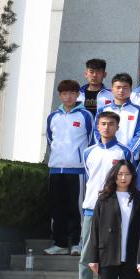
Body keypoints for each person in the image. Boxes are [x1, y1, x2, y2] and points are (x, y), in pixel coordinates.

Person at [78, 110, 133, 279]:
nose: (106, 127)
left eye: (111, 124)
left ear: (117, 127)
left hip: (116, 209)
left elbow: (129, 178)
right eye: (103, 123)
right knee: (86, 251)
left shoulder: (124, 152)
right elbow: (89, 178)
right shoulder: (88, 152)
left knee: (115, 249)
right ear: (97, 126)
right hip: (91, 207)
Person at [45, 78, 92, 256]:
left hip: (77, 170)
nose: (68, 97)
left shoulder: (85, 116)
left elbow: (91, 140)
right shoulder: (53, 117)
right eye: (65, 93)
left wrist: (79, 159)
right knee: (57, 207)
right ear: (60, 95)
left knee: (76, 208)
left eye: (72, 93)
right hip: (56, 169)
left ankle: (77, 243)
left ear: (78, 94)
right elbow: (50, 139)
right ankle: (60, 243)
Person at [101, 73, 140, 158]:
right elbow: (97, 131)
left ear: (130, 90)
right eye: (118, 87)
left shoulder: (138, 111)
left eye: (125, 88)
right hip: (107, 155)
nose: (121, 90)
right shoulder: (103, 110)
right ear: (112, 89)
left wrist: (128, 153)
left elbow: (139, 135)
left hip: (129, 157)